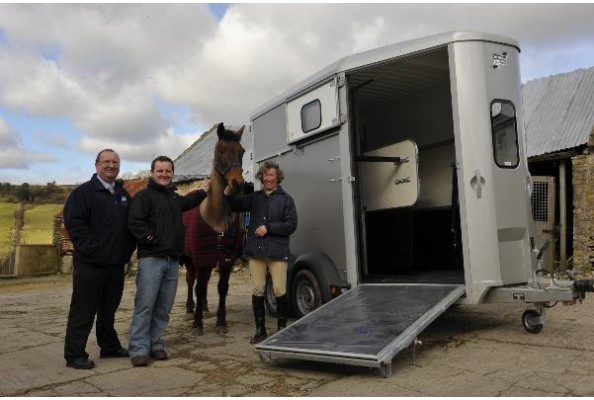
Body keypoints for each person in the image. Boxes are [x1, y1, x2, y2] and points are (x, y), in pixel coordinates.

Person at [127, 155, 210, 367]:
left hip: (172, 262)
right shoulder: (143, 197)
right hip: (151, 260)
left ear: (172, 173)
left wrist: (204, 190)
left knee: (164, 308)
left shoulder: (173, 198)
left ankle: (155, 344)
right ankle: (138, 349)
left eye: (168, 171)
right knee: (145, 306)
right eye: (160, 171)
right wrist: (151, 239)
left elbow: (189, 201)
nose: (164, 174)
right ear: (152, 173)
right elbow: (135, 223)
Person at [63, 149, 136, 369]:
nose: (111, 165)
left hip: (115, 265)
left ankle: (109, 347)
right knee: (83, 310)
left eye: (115, 162)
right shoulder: (83, 193)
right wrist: (93, 251)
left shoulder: (122, 195)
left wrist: (126, 251)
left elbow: (131, 224)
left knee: (108, 310)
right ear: (97, 165)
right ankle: (74, 354)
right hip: (90, 264)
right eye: (106, 162)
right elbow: (75, 225)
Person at [228, 161, 297, 344]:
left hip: (277, 251)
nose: (268, 179)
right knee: (258, 289)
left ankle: (282, 327)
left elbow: (291, 225)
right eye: (265, 176)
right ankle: (260, 330)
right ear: (261, 178)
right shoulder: (255, 197)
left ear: (277, 177)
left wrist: (269, 227)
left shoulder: (286, 200)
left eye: (271, 175)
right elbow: (234, 205)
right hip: (256, 252)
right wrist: (228, 192)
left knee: (279, 289)